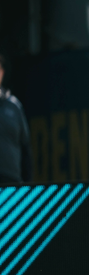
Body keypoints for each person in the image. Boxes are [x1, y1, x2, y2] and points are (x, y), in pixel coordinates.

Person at [0, 55, 32, 185]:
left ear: (2, 72)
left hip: (12, 183)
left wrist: (28, 185)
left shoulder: (14, 105)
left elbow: (26, 149)